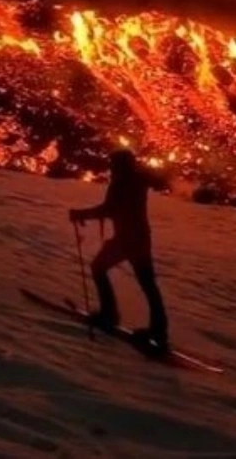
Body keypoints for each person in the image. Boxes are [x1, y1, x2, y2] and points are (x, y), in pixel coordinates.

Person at [69, 149, 168, 353]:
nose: (111, 168)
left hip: (126, 240)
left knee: (98, 268)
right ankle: (159, 331)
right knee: (148, 284)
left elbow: (109, 209)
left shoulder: (122, 183)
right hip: (139, 238)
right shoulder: (138, 180)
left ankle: (109, 314)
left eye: (113, 164)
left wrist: (80, 214)